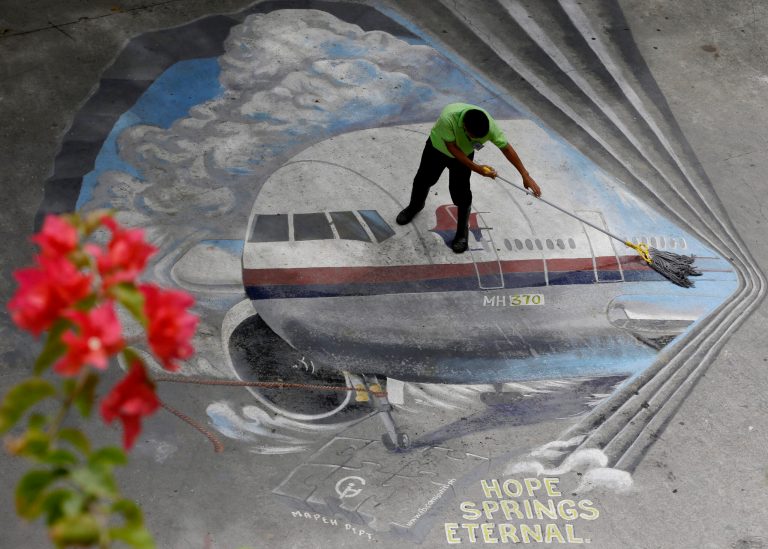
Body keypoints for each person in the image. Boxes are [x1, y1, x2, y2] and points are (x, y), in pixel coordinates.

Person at [396, 103, 542, 253]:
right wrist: (476, 168)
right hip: (437, 149)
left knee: (461, 193)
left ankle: (462, 231)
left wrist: (525, 174)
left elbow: (505, 147)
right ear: (464, 126)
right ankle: (415, 206)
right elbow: (451, 147)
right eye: (472, 137)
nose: (475, 140)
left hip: (464, 155)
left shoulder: (490, 127)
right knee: (423, 180)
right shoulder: (448, 118)